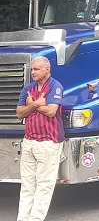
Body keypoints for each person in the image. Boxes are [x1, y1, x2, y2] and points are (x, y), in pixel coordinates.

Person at [16, 56, 64, 221]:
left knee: (44, 184)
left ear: (47, 69)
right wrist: (36, 104)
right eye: (32, 69)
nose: (33, 72)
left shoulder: (55, 87)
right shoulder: (28, 88)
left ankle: (35, 218)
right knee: (27, 184)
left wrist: (31, 105)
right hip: (29, 141)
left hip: (48, 142)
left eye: (36, 69)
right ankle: (22, 218)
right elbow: (19, 113)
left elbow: (51, 111)